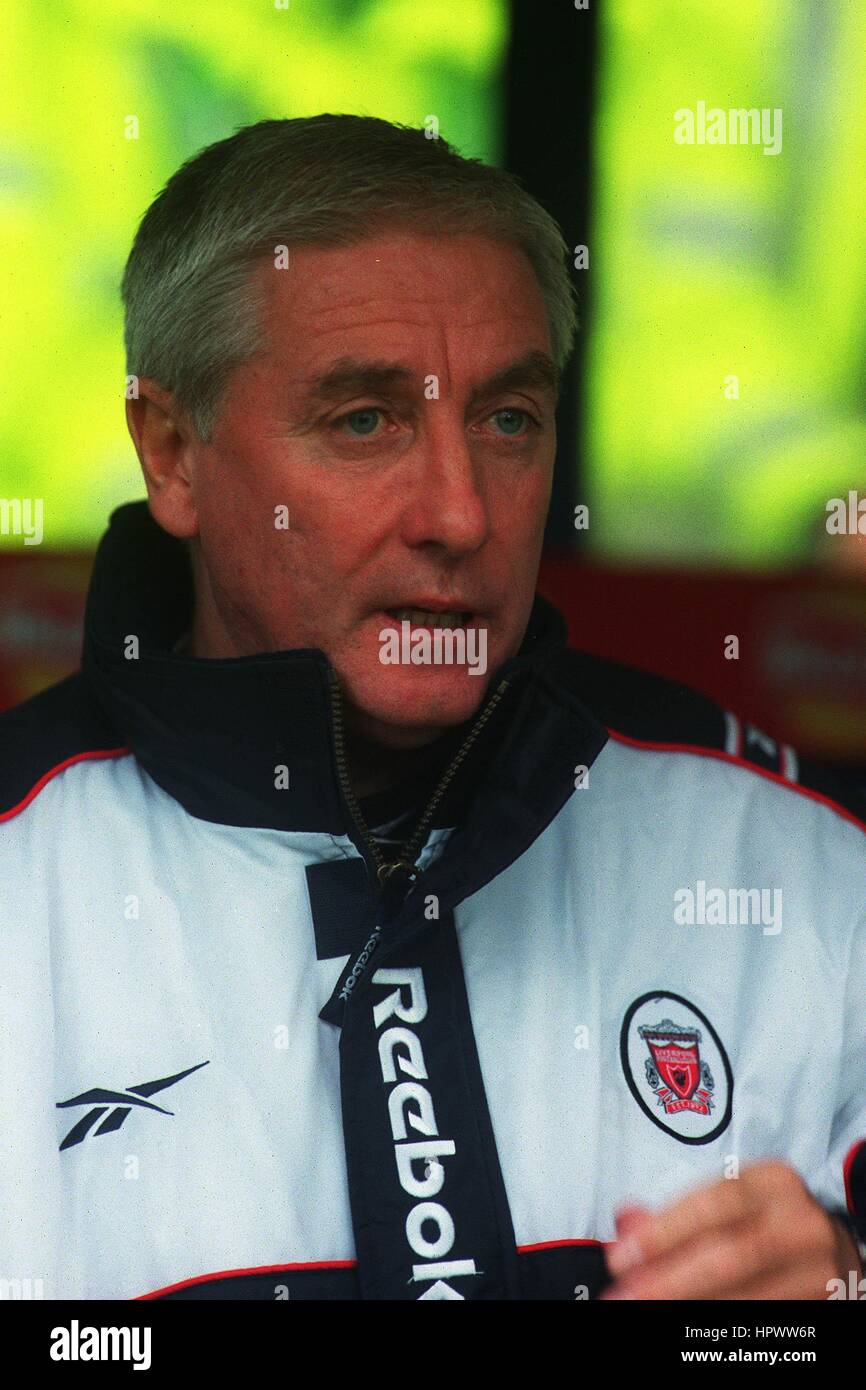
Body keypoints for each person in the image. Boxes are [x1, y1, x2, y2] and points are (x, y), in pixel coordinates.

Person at [1, 114, 864, 1302]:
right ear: (172, 452)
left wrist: (841, 1284)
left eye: (507, 420)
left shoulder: (802, 858)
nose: (459, 514)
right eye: (365, 422)